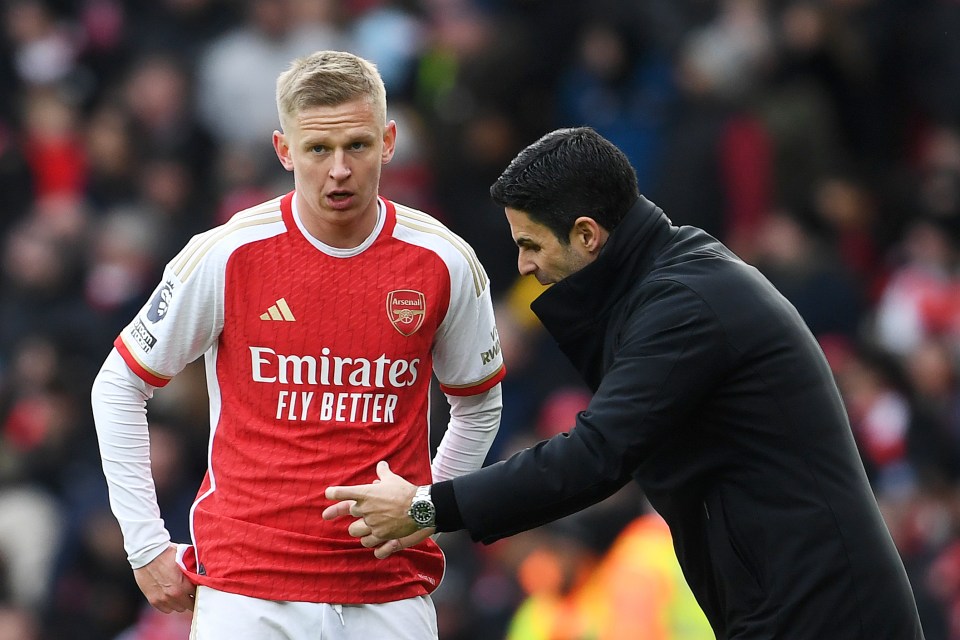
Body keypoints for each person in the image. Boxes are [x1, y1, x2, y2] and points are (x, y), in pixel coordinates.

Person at [324, 127, 926, 639]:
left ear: (587, 235)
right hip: (792, 605)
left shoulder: (685, 304)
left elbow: (595, 455)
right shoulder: (672, 285)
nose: (523, 267)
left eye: (531, 244)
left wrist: (430, 507)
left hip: (825, 614)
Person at [90, 50, 505, 639]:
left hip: (387, 592)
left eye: (357, 146)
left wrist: (424, 511)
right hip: (248, 592)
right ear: (284, 151)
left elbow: (480, 401)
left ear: (388, 142)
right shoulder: (229, 253)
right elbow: (118, 383)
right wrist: (145, 543)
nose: (339, 169)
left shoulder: (443, 261)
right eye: (317, 149)